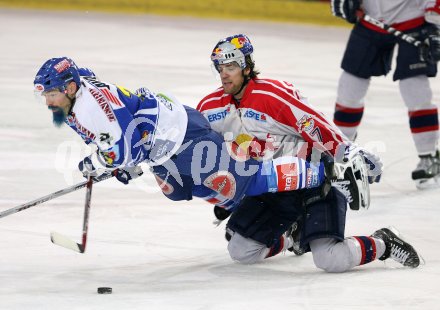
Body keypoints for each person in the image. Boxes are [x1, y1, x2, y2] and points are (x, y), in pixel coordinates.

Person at [196, 33, 421, 272]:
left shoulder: (272, 96)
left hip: (315, 179)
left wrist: (349, 152)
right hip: (272, 186)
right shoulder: (211, 107)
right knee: (241, 250)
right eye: (220, 67)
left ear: (246, 66)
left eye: (230, 66)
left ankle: (384, 242)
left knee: (331, 259)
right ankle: (294, 234)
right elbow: (203, 146)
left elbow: (314, 125)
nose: (224, 73)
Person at [33, 56, 344, 228]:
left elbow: (123, 145)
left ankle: (326, 173)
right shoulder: (78, 90)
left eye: (51, 93)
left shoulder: (90, 106)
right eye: (45, 94)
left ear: (71, 87)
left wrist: (102, 161)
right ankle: (254, 208)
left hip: (180, 135)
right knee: (180, 190)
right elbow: (121, 132)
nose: (48, 100)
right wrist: (122, 162)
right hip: (161, 145)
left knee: (241, 181)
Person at [331, 0, 440, 188]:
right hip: (370, 19)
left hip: (413, 19)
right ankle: (341, 151)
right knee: (350, 88)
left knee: (414, 90)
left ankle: (429, 155)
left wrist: (436, 27)